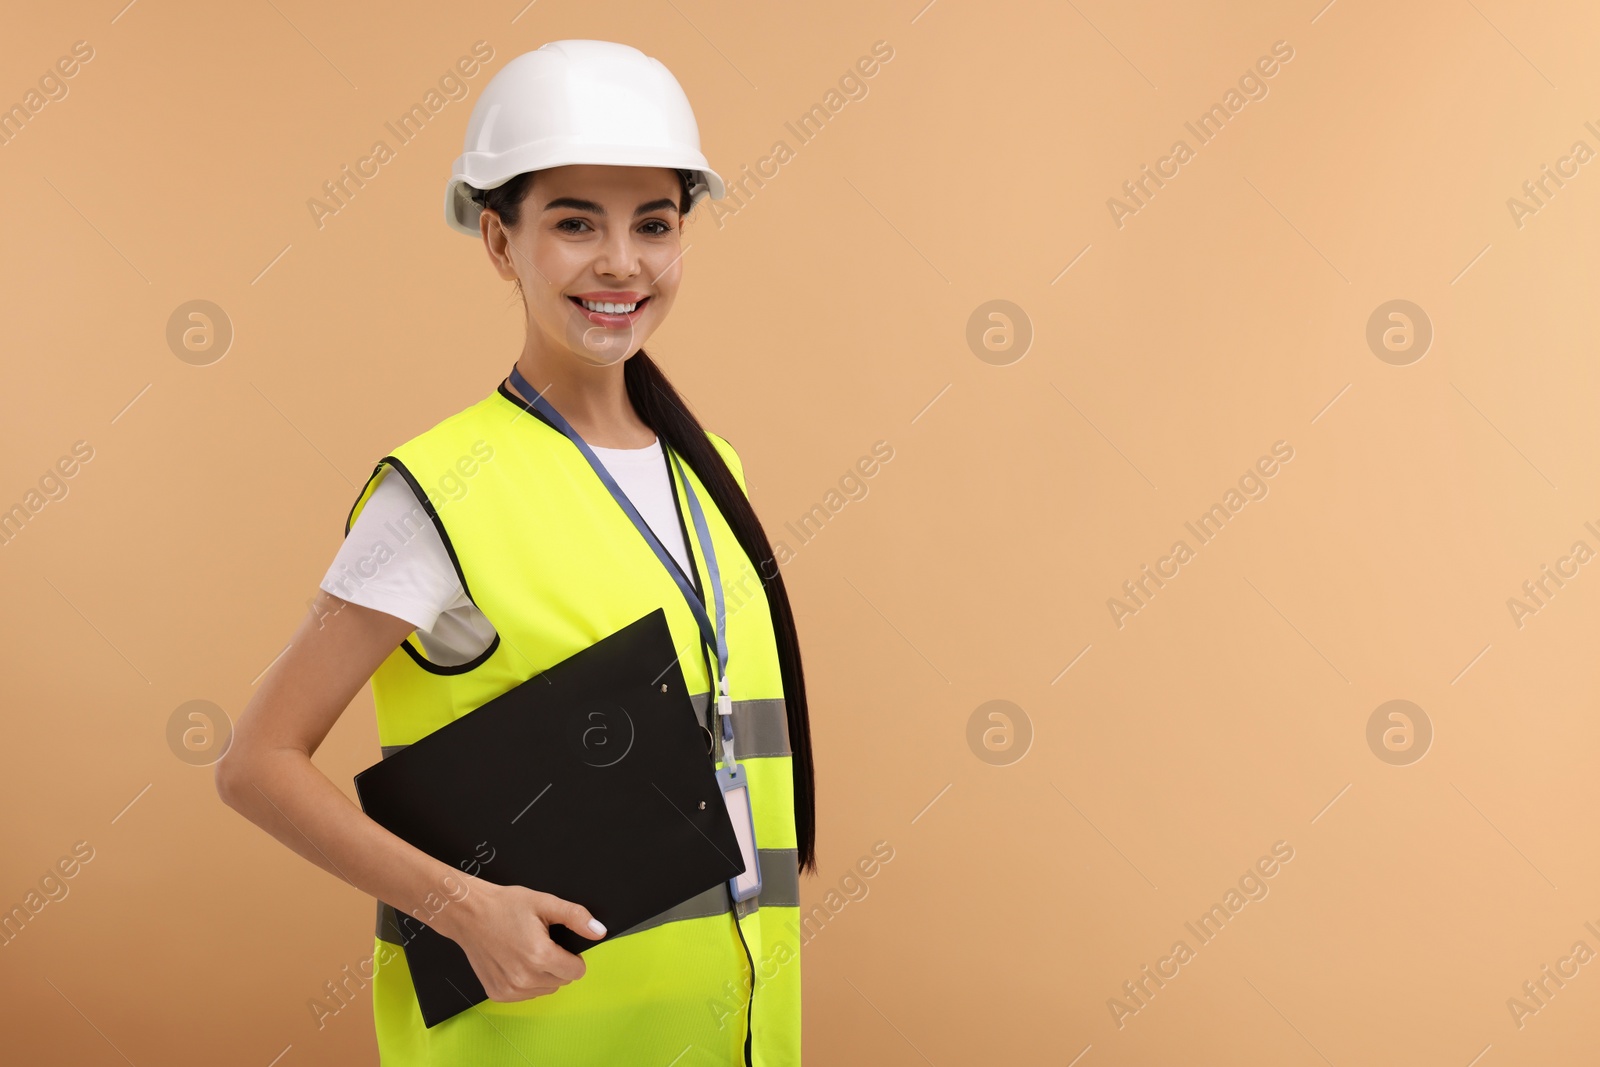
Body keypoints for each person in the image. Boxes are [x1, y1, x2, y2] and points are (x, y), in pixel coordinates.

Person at [215, 39, 815, 1066]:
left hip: (736, 1031)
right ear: (499, 240)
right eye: (575, 223)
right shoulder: (437, 493)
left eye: (654, 224)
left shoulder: (715, 471)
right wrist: (461, 909)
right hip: (538, 1039)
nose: (621, 261)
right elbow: (256, 763)